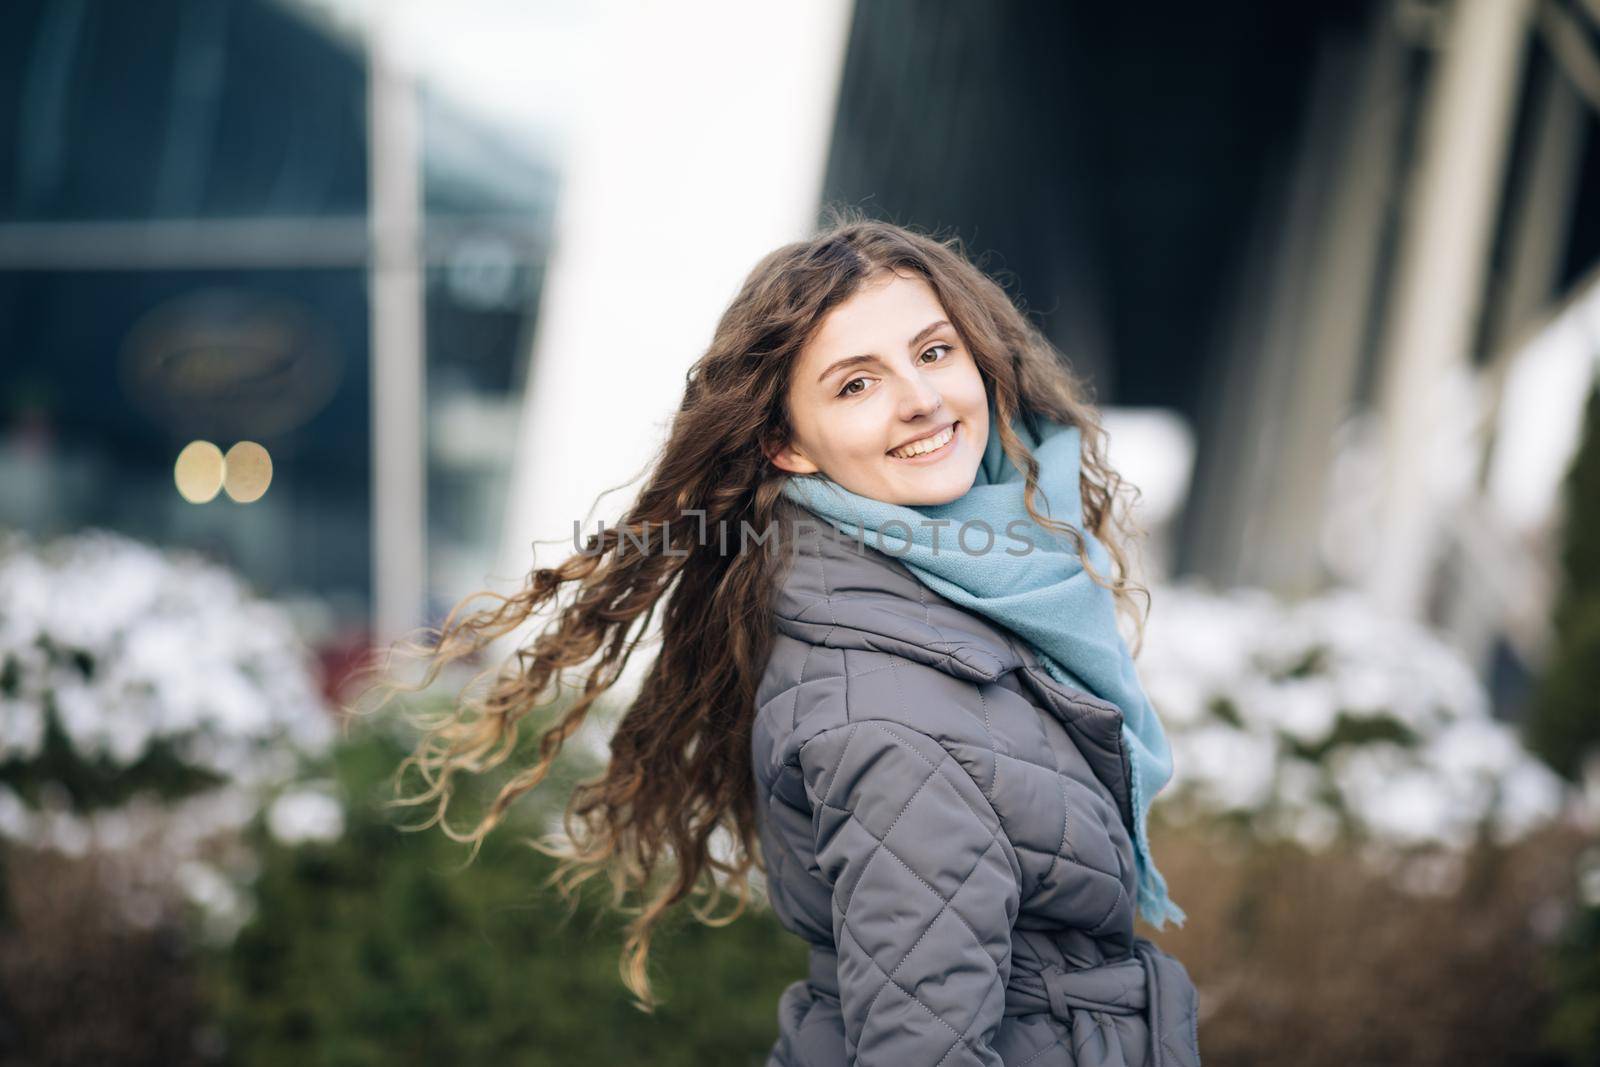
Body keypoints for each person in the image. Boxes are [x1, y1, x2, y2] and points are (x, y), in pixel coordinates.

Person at [372, 207, 1202, 1066]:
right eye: (855, 384)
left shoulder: (972, 591)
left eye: (932, 352)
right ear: (788, 445)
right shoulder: (891, 719)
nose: (920, 400)